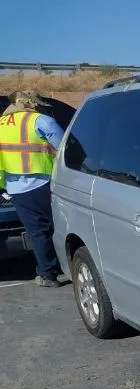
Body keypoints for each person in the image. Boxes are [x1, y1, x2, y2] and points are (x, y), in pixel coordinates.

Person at [0, 90, 65, 287]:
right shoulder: (40, 120)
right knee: (58, 228)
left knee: (37, 232)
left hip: (14, 189)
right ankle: (56, 270)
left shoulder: (2, 124)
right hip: (44, 183)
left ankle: (47, 274)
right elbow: (65, 148)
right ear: (32, 104)